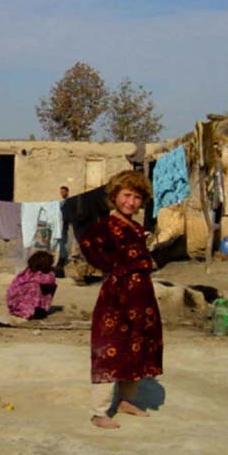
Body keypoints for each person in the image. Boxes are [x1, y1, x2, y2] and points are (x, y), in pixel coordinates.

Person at [79, 170, 163, 429]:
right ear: (115, 197)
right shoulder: (105, 225)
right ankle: (99, 411)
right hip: (116, 298)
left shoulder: (136, 227)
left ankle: (126, 400)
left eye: (137, 197)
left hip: (141, 296)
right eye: (127, 195)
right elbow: (87, 244)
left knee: (136, 344)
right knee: (110, 347)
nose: (131, 202)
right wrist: (112, 267)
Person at [6, 250, 58, 320]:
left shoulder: (43, 273)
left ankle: (39, 308)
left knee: (48, 287)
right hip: (16, 302)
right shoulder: (28, 274)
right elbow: (43, 281)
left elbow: (50, 282)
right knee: (34, 287)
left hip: (24, 301)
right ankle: (30, 311)